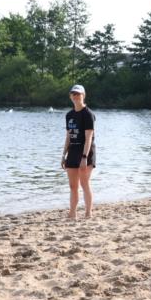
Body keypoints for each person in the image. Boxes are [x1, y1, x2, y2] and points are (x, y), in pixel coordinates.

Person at [60, 84, 95, 219]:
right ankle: (73, 213)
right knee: (72, 185)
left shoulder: (88, 114)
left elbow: (89, 138)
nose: (75, 96)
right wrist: (63, 155)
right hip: (73, 151)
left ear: (83, 96)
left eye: (78, 94)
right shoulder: (69, 115)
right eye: (73, 94)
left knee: (84, 183)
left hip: (86, 151)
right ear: (70, 96)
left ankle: (88, 212)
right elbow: (68, 136)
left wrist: (85, 157)